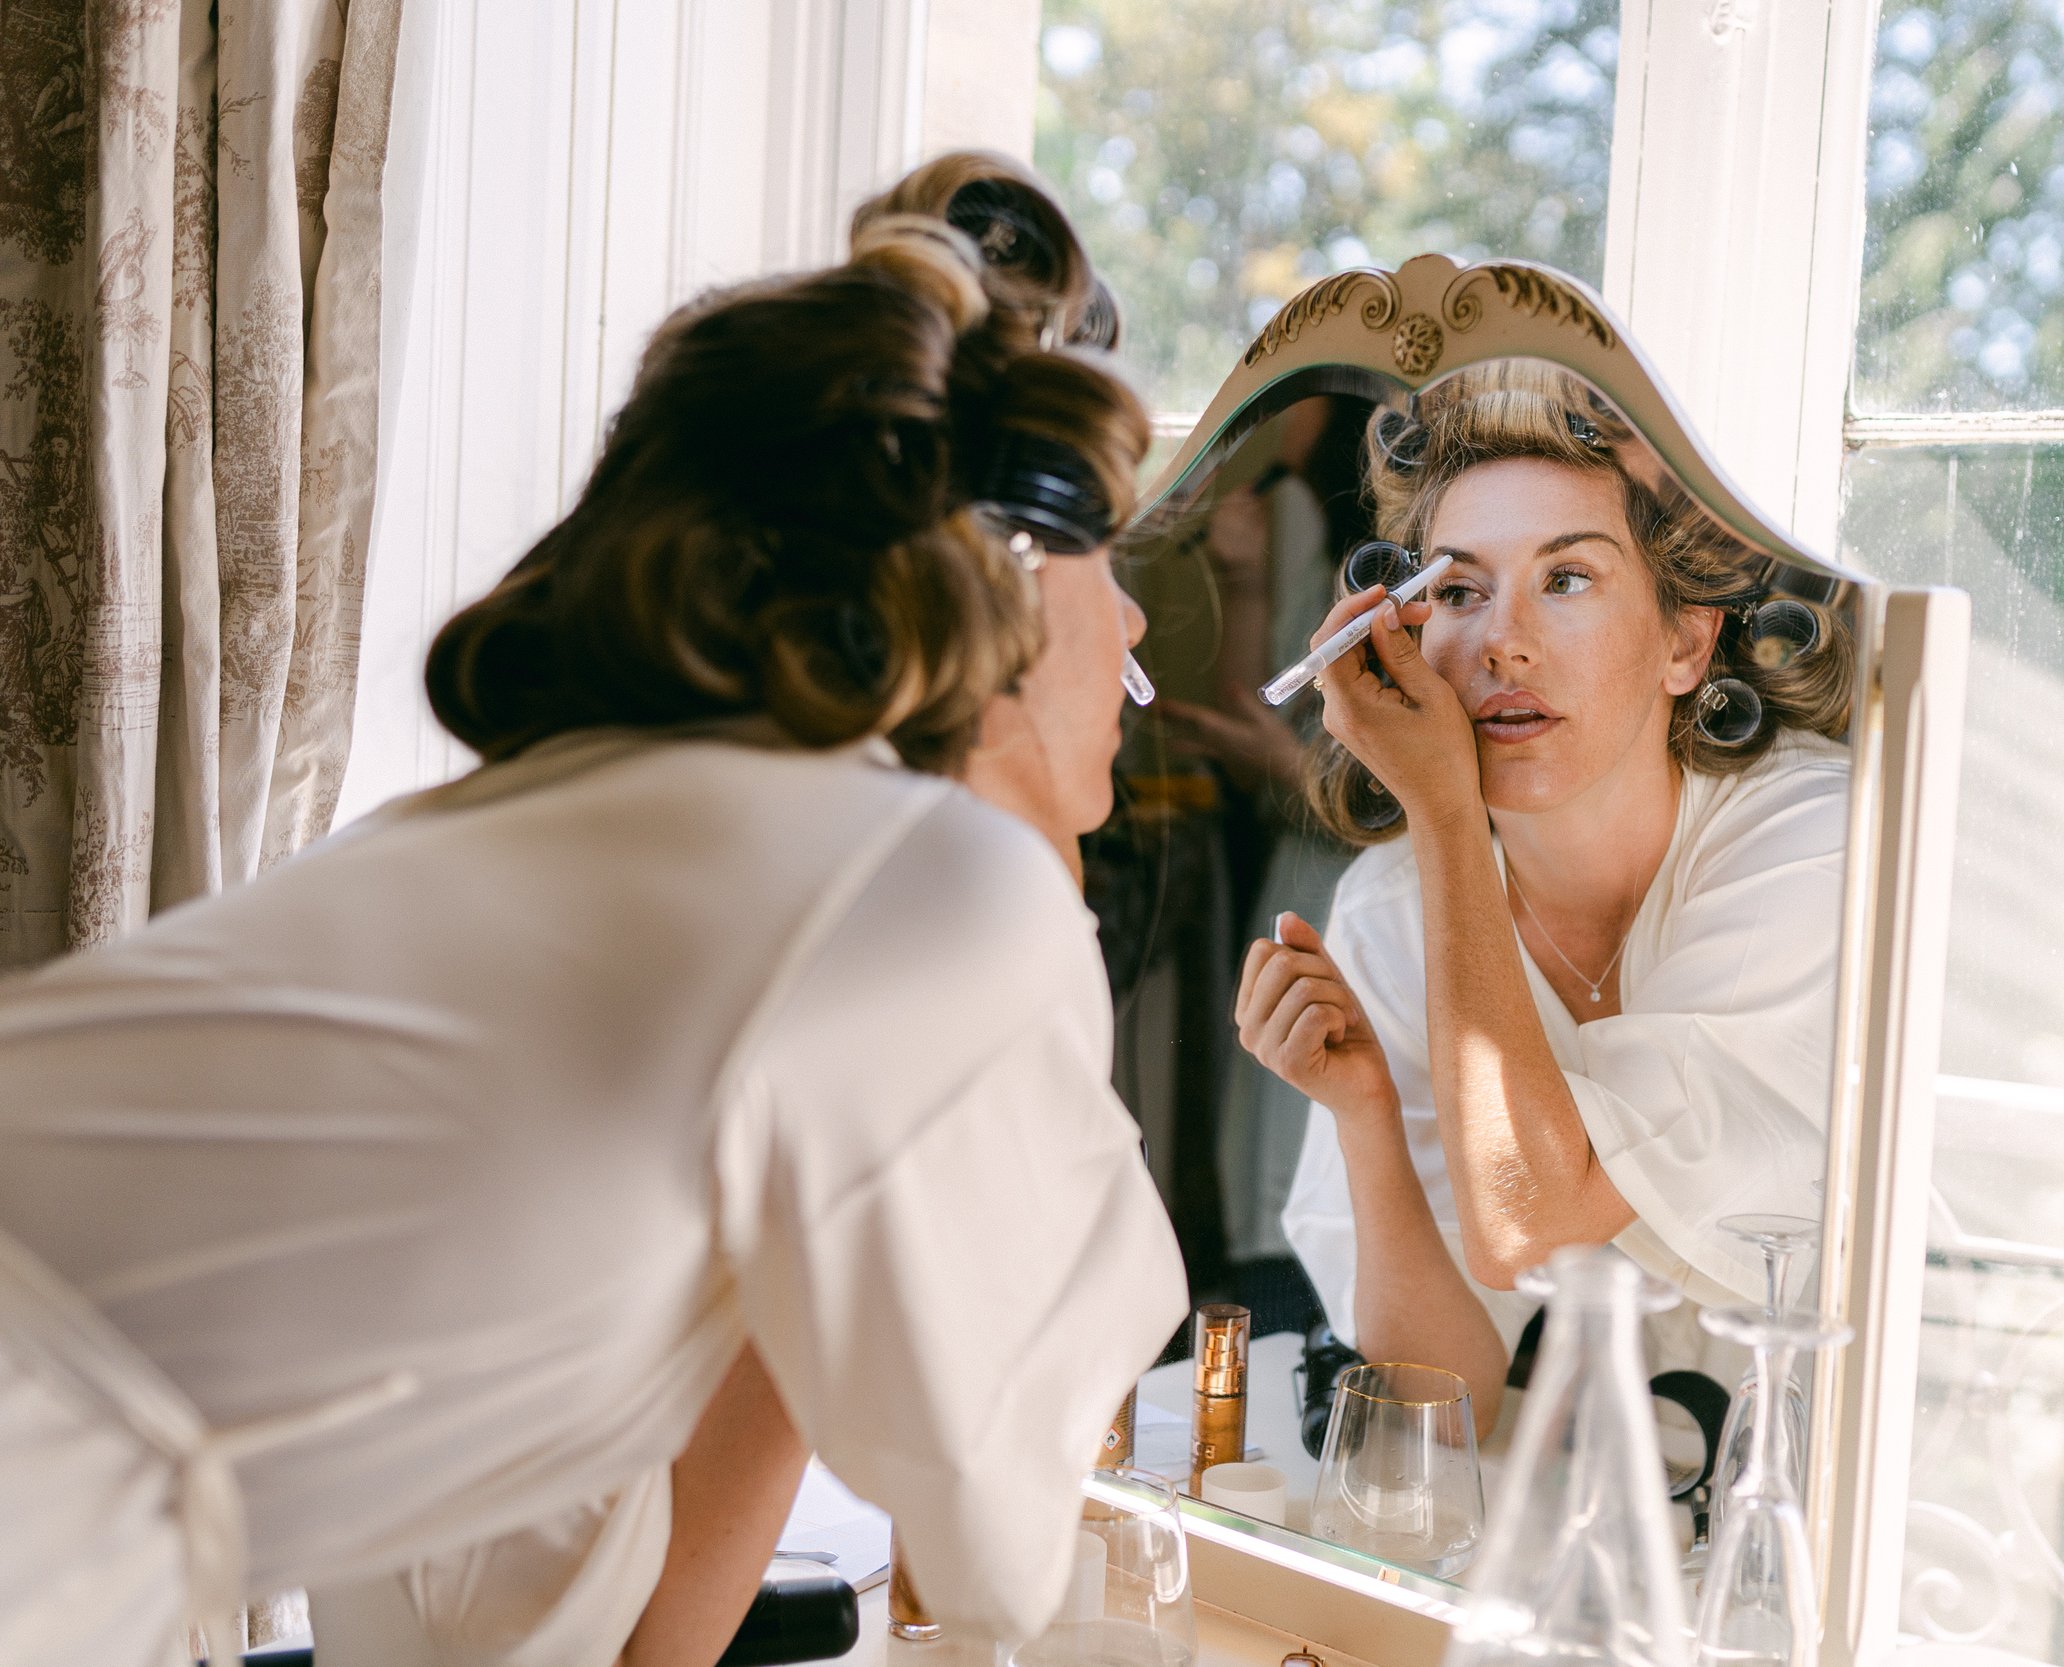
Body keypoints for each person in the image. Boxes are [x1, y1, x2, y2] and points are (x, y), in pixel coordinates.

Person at [0, 157, 1184, 1667]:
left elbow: (528, 1630)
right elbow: (1007, 1548)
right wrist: (1021, 869)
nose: (1136, 621)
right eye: (1109, 556)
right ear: (1002, 577)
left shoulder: (517, 852)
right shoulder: (928, 895)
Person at [1234, 365, 1854, 1432]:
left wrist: (1439, 813)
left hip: (1844, 1504)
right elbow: (1447, 1403)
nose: (1502, 643)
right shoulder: (1391, 906)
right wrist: (1366, 1113)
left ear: (1683, 640)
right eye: (1461, 591)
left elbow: (1534, 1218)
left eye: (1565, 579)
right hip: (1585, 1513)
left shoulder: (1803, 839)